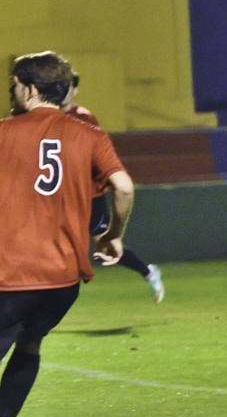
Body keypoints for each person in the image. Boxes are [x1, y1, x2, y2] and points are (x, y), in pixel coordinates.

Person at [0, 51, 134, 417]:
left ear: (30, 88)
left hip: (9, 272)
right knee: (29, 345)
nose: (11, 91)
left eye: (14, 84)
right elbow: (124, 187)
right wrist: (112, 234)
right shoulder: (88, 134)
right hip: (62, 277)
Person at [64, 74, 165, 302]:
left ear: (75, 91)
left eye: (68, 87)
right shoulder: (46, 118)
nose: (64, 91)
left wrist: (106, 178)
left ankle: (148, 272)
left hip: (89, 194)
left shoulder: (83, 117)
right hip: (62, 194)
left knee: (105, 248)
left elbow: (98, 153)